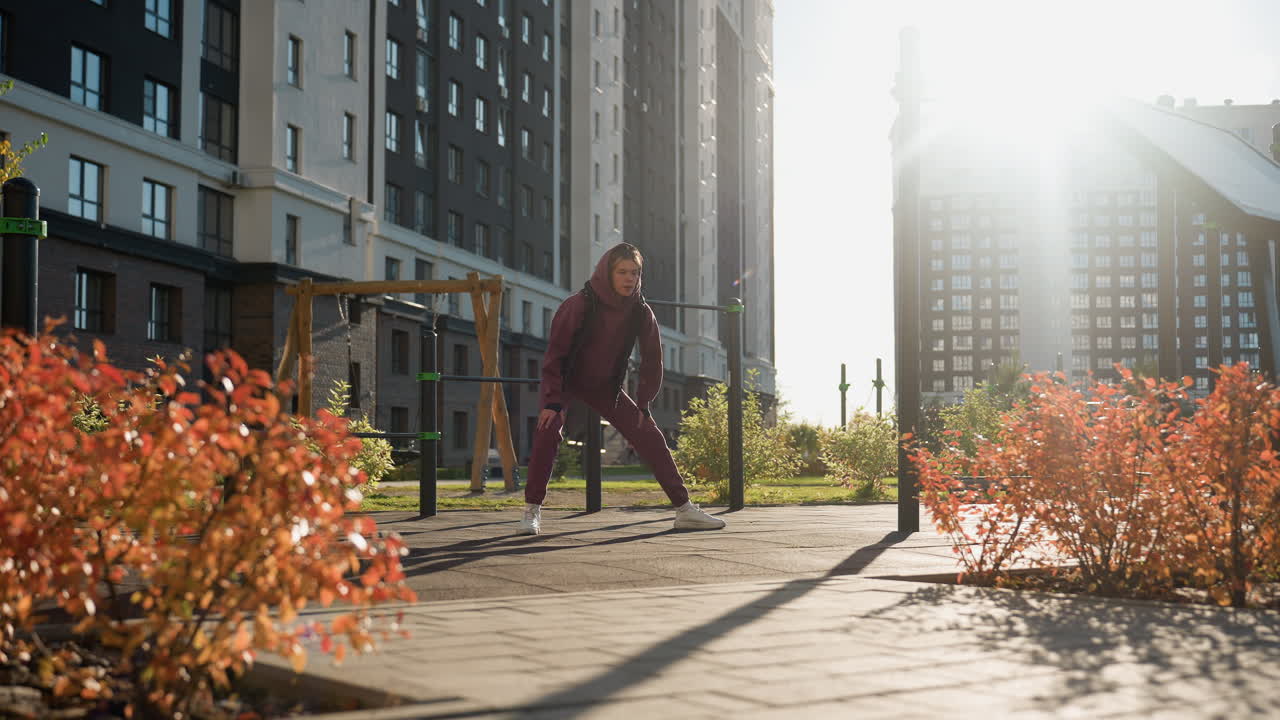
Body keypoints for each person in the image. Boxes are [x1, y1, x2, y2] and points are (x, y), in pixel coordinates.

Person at [519, 243, 726, 535]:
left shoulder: (640, 311)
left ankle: (684, 510)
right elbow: (556, 355)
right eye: (622, 272)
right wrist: (552, 402)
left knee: (650, 436)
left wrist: (643, 403)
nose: (629, 278)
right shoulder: (579, 304)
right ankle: (531, 512)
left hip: (606, 387)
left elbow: (653, 359)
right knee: (547, 430)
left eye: (634, 272)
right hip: (567, 381)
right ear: (608, 272)